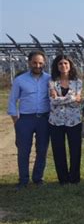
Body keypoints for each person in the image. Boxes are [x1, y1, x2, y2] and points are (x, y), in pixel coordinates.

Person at [7, 51, 51, 189]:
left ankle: (38, 178)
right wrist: (16, 120)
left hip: (44, 119)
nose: (37, 65)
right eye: (35, 63)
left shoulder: (49, 79)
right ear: (29, 63)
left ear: (44, 63)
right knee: (23, 150)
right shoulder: (20, 80)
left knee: (42, 149)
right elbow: (12, 100)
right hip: (25, 119)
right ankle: (23, 179)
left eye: (40, 63)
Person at [48, 54, 83, 185]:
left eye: (66, 63)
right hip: (55, 121)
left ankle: (74, 178)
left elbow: (78, 101)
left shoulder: (77, 82)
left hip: (74, 121)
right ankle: (63, 179)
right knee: (58, 150)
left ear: (70, 65)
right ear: (57, 66)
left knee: (75, 150)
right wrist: (72, 98)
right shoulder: (52, 82)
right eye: (60, 64)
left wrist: (59, 99)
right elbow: (53, 101)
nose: (63, 66)